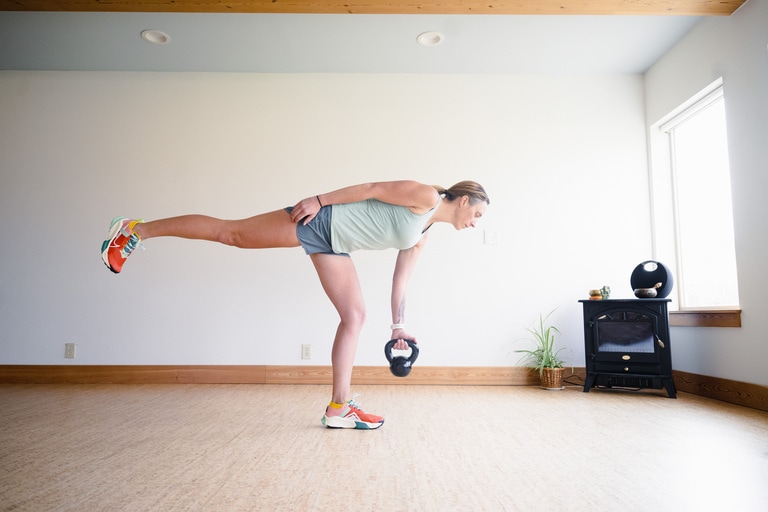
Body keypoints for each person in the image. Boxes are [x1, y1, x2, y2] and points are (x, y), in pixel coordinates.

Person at [101, 180, 490, 429]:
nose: (474, 223)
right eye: (477, 214)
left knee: (355, 316)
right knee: (231, 233)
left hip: (336, 246)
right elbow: (372, 188)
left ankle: (339, 406)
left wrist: (398, 326)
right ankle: (134, 229)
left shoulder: (422, 234)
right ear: (466, 200)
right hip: (320, 221)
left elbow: (401, 279)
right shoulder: (425, 196)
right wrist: (318, 200)